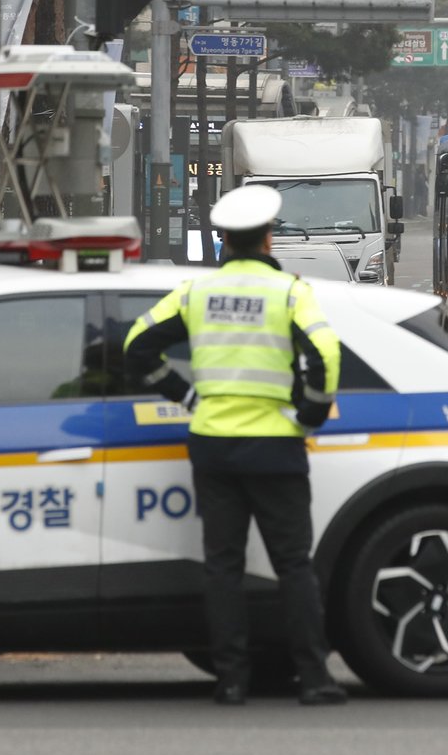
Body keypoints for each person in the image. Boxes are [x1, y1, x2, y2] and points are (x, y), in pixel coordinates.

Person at [124, 184, 346, 708]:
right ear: (268, 238)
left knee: (222, 566)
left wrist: (185, 394)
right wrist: (308, 414)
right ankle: (312, 678)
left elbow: (138, 345)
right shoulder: (291, 292)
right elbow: (326, 355)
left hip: (214, 444)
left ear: (222, 240)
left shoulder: (196, 292)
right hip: (275, 445)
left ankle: (230, 680)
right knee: (293, 565)